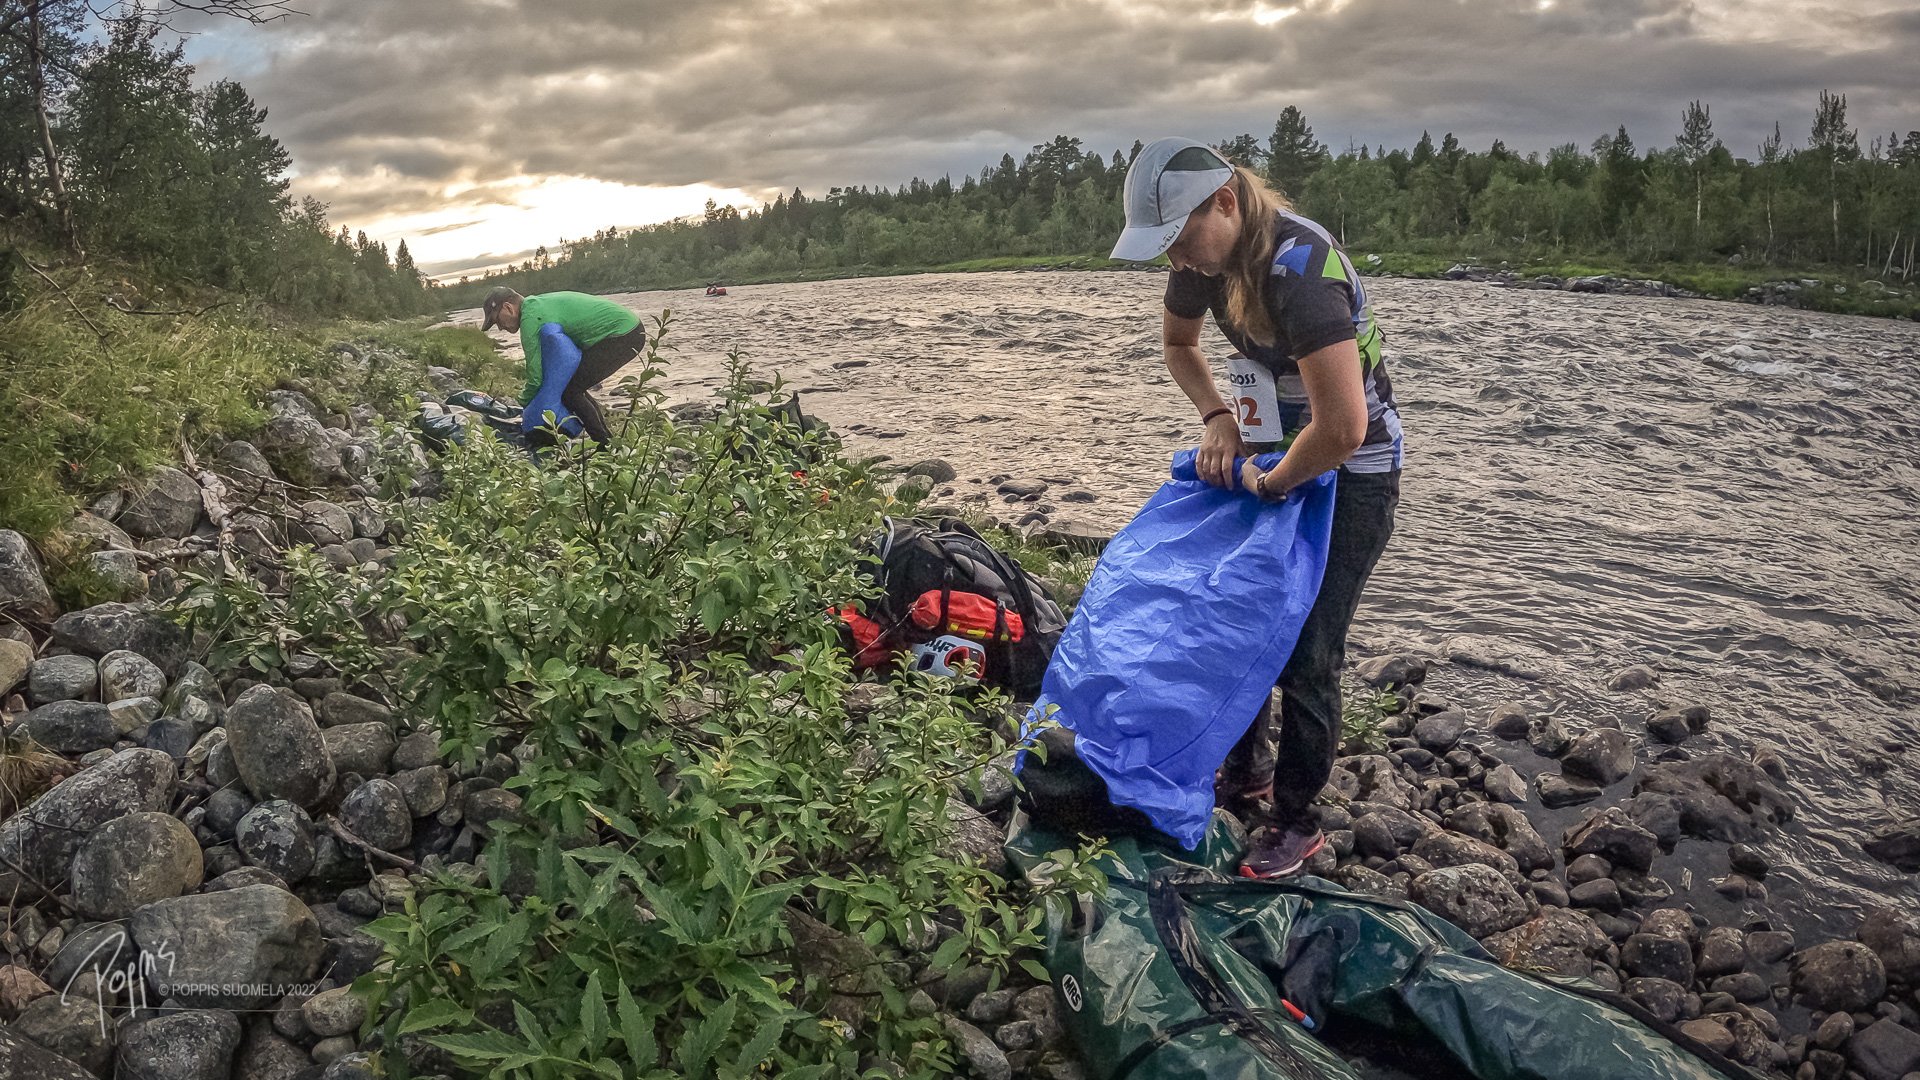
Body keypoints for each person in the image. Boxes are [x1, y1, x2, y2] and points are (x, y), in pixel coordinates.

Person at [1110, 136, 1404, 878]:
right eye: (1163, 247)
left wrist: (1273, 485)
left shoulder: (1300, 270)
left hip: (1354, 469)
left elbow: (1343, 427)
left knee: (1308, 648)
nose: (1175, 259)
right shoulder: (1203, 264)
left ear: (1227, 203)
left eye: (1178, 238)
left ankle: (1296, 820)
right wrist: (1217, 419)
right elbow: (1180, 346)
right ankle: (1246, 772)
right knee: (1244, 616)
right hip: (1276, 452)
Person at [480, 287, 647, 444]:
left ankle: (604, 444)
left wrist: (524, 402)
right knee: (574, 388)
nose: (500, 327)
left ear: (509, 308)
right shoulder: (535, 305)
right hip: (629, 328)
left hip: (624, 334)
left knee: (571, 390)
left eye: (497, 321)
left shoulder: (530, 318)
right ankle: (607, 442)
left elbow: (535, 376)